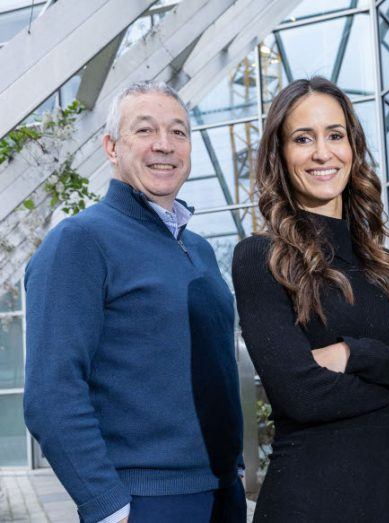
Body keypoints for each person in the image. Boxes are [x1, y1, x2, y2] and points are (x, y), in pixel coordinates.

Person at [231, 77, 389, 522]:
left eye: (335, 135)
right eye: (303, 138)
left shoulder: (388, 267)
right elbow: (301, 395)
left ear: (352, 147)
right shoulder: (262, 258)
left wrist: (352, 354)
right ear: (280, 155)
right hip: (309, 502)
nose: (323, 152)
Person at [24, 81, 245, 523]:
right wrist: (106, 504)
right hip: (147, 501)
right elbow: (52, 391)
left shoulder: (198, 249)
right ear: (111, 147)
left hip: (223, 493)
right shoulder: (80, 241)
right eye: (145, 131)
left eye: (178, 132)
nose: (164, 145)